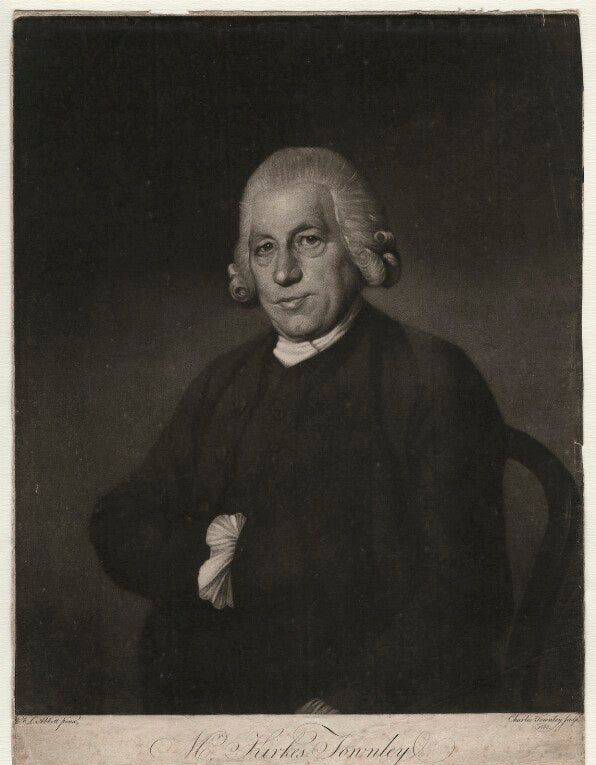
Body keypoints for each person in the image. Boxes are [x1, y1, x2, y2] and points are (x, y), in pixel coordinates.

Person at [90, 147, 513, 714]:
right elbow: (120, 519)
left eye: (308, 240)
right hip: (209, 701)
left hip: (364, 709)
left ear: (357, 248)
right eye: (264, 248)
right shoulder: (226, 380)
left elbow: (468, 590)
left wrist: (352, 705)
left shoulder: (430, 375)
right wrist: (219, 559)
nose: (284, 273)